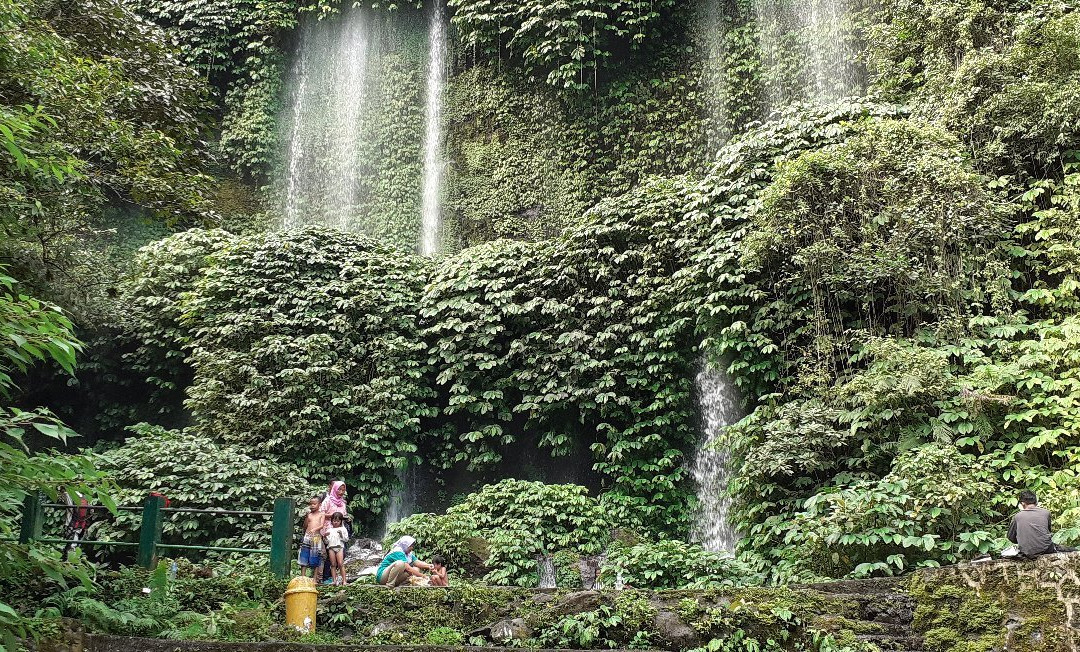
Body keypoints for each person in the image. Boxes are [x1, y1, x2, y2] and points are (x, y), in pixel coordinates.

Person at [1007, 490, 1077, 558]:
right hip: (1045, 549)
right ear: (1036, 502)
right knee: (1071, 550)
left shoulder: (1017, 516)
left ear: (1022, 503)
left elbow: (1010, 537)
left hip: (1026, 552)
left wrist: (1023, 540)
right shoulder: (1046, 513)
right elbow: (1048, 532)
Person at [297, 497, 326, 581]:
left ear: (319, 505)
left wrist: (315, 529)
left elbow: (321, 525)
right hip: (307, 536)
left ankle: (314, 579)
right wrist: (306, 518)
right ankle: (302, 577)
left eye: (314, 504)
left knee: (316, 557)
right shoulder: (309, 514)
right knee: (304, 556)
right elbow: (305, 525)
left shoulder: (322, 514)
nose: (312, 506)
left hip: (316, 537)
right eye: (310, 504)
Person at [325, 512, 349, 586]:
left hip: (339, 547)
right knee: (332, 564)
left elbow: (346, 539)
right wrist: (325, 537)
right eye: (334, 521)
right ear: (331, 521)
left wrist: (341, 534)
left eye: (338, 521)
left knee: (341, 564)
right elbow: (327, 541)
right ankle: (334, 581)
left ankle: (344, 581)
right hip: (331, 548)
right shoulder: (329, 530)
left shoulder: (343, 529)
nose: (336, 522)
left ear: (341, 521)